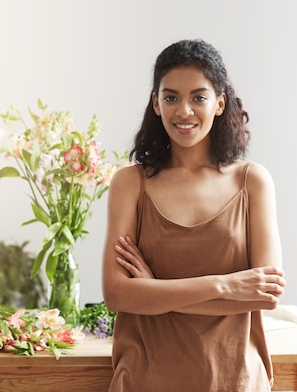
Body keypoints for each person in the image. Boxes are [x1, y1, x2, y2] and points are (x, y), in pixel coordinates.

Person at [101, 39, 286, 392]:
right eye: (171, 97)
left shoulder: (252, 182)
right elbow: (117, 295)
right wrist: (228, 286)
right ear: (155, 103)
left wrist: (154, 292)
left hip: (237, 380)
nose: (183, 110)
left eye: (198, 97)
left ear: (220, 103)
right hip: (144, 380)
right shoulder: (130, 183)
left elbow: (265, 295)